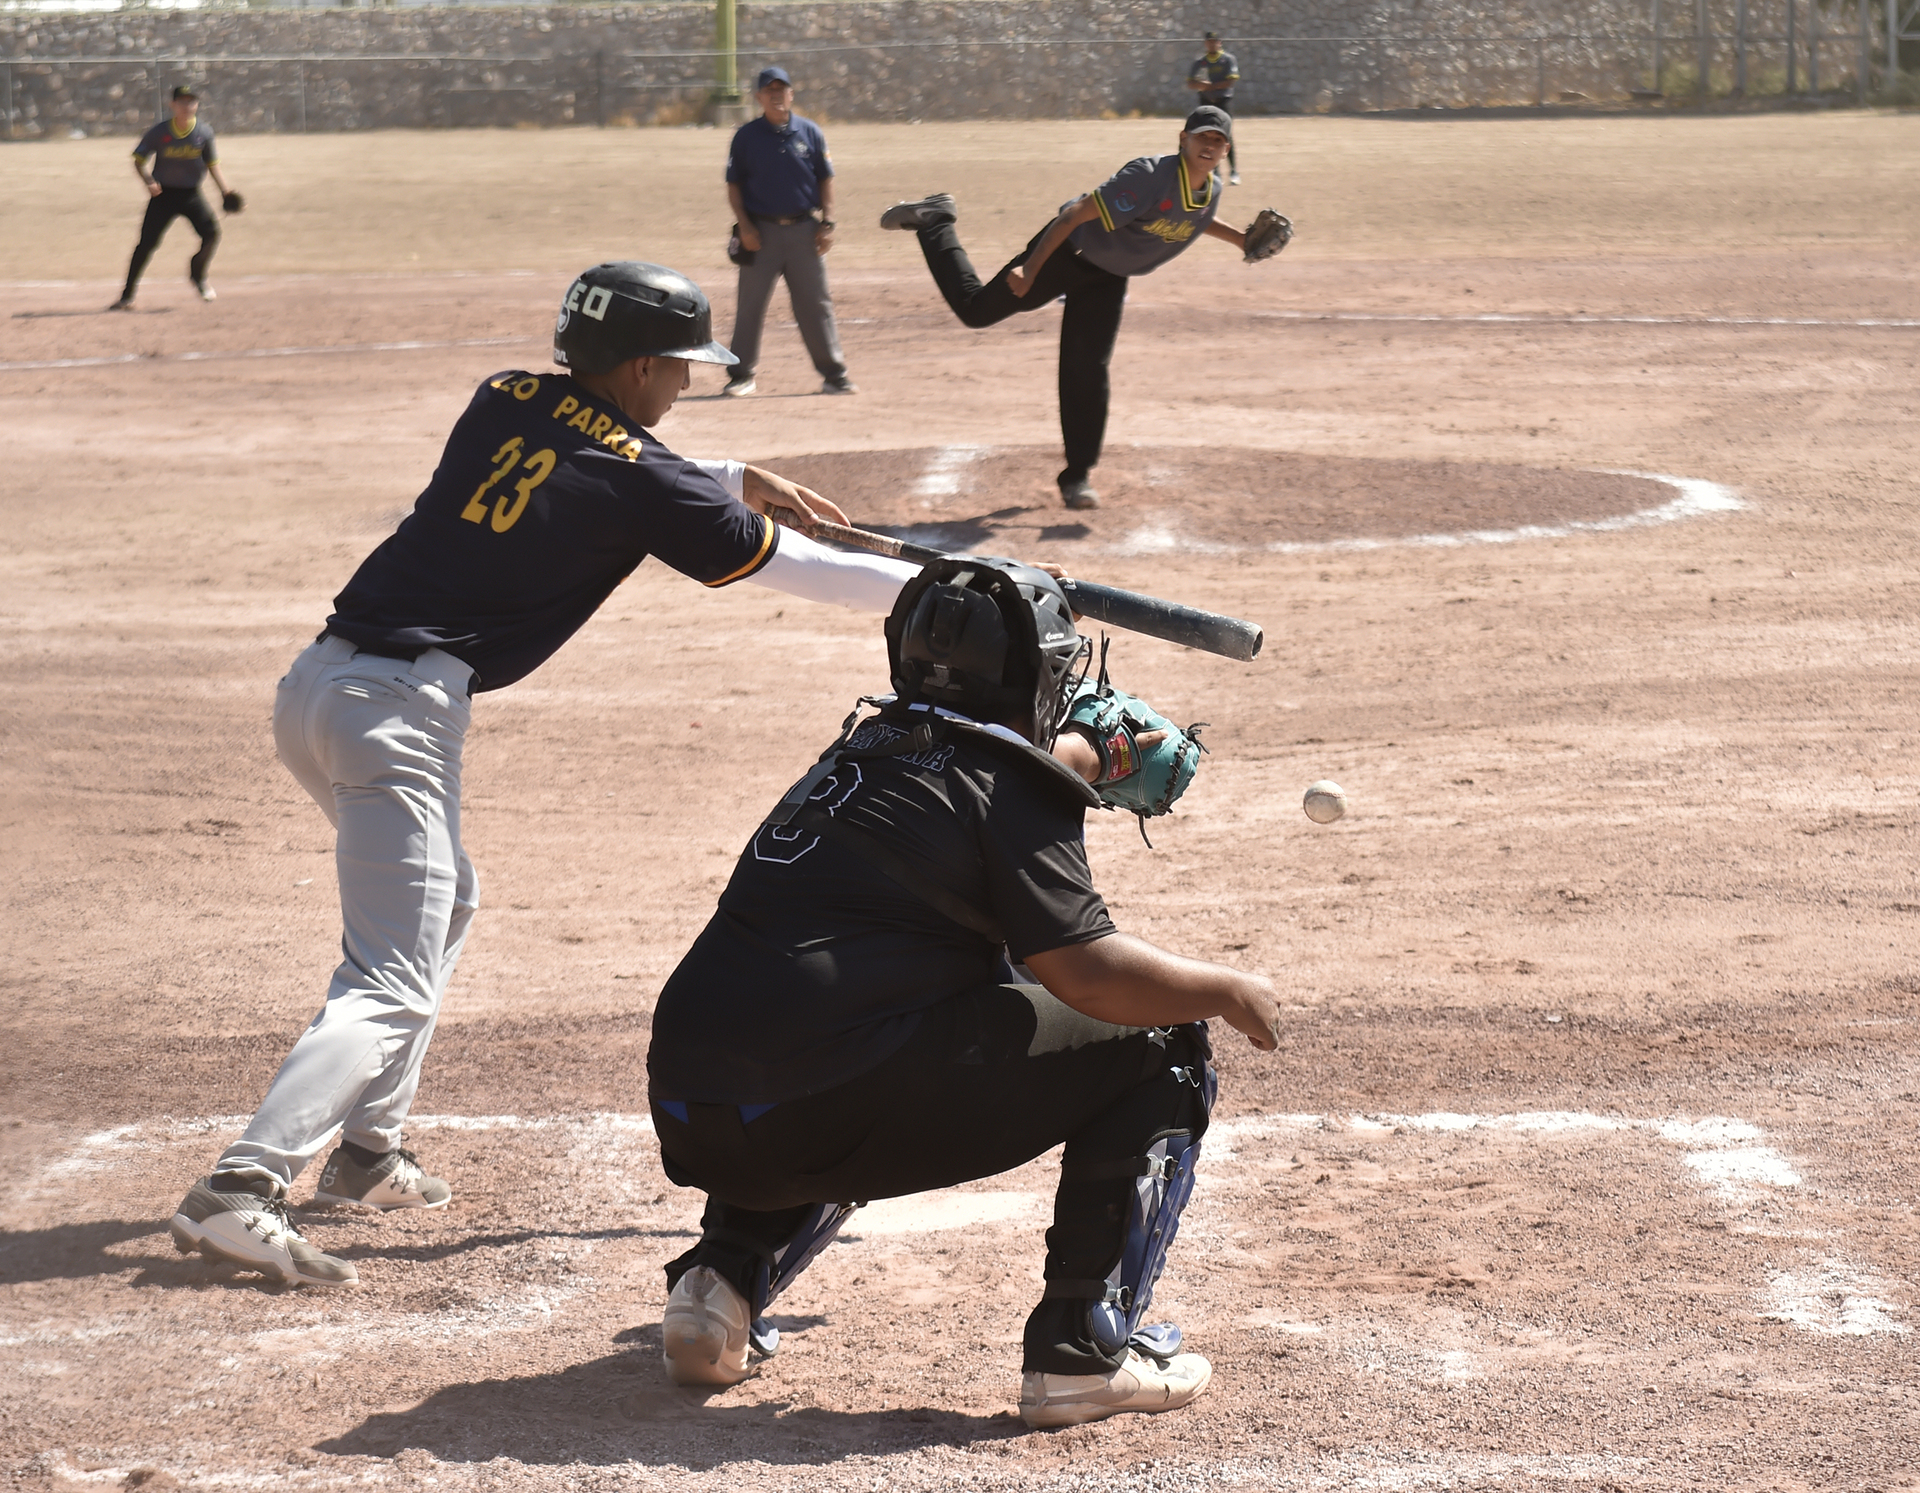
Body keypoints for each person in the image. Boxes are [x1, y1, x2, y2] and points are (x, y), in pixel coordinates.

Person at [167, 261, 921, 1290]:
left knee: (443, 904)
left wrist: (731, 467)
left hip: (319, 689)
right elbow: (795, 562)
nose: (688, 387)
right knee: (389, 972)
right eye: (683, 369)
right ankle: (243, 1187)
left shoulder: (505, 394)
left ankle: (369, 1147)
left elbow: (595, 453)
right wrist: (955, 582)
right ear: (644, 363)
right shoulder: (644, 481)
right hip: (395, 714)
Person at [645, 556, 1282, 1429]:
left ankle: (719, 1285)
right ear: (1046, 675)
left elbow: (970, 783)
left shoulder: (855, 751)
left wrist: (1081, 756)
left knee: (853, 1023)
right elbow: (1088, 973)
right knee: (1160, 1035)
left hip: (697, 1104)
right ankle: (1080, 1352)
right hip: (828, 1100)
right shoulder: (1013, 787)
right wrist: (1226, 987)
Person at [879, 107, 1273, 512]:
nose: (1209, 145)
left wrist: (1242, 241)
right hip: (1067, 254)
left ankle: (1077, 476)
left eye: (1218, 140)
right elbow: (1073, 215)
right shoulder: (1149, 176)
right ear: (1182, 139)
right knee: (976, 311)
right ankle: (935, 222)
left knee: (1087, 369)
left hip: (1109, 276)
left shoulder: (1211, 188)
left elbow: (1195, 217)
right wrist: (1031, 269)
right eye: (1202, 137)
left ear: (1226, 150)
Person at [721, 66, 854, 398]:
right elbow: (734, 185)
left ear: (792, 94)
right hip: (760, 233)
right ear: (759, 97)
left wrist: (828, 222)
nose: (776, 95)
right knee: (750, 305)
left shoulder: (809, 132)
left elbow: (826, 178)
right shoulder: (746, 136)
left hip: (804, 232)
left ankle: (834, 374)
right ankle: (741, 374)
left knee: (816, 303)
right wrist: (746, 227)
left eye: (782, 89)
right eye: (769, 90)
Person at [113, 85, 239, 310]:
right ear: (172, 105)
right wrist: (148, 181)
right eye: (182, 101)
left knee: (211, 234)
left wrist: (225, 191)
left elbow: (212, 164)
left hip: (191, 194)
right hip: (163, 195)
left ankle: (197, 275)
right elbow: (138, 160)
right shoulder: (159, 132)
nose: (187, 106)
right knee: (146, 245)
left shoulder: (204, 132)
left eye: (191, 101)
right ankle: (127, 296)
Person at [1186, 33, 1242, 185]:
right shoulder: (1200, 62)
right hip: (1205, 105)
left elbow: (1231, 80)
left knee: (1226, 136)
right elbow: (1190, 82)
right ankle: (1214, 172)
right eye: (1209, 42)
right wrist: (1200, 84)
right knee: (1206, 138)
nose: (1212, 44)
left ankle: (1233, 171)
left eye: (1215, 41)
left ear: (1220, 42)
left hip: (1222, 103)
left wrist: (1211, 86)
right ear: (1206, 43)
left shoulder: (1227, 60)